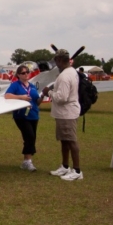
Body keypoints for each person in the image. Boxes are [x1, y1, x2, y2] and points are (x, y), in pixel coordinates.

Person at [42, 49, 83, 181]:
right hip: (64, 113)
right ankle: (65, 167)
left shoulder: (65, 76)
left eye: (56, 61)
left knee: (71, 141)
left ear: (60, 60)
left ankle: (77, 171)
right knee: (64, 141)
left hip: (67, 113)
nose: (55, 63)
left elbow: (62, 98)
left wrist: (48, 92)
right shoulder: (72, 72)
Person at [5, 65, 44, 172]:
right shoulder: (15, 85)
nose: (26, 74)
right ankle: (28, 161)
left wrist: (43, 95)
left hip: (34, 114)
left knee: (31, 137)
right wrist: (21, 97)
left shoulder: (32, 86)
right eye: (23, 73)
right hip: (21, 115)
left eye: (27, 72)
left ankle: (26, 161)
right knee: (29, 136)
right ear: (18, 75)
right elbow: (7, 95)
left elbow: (37, 102)